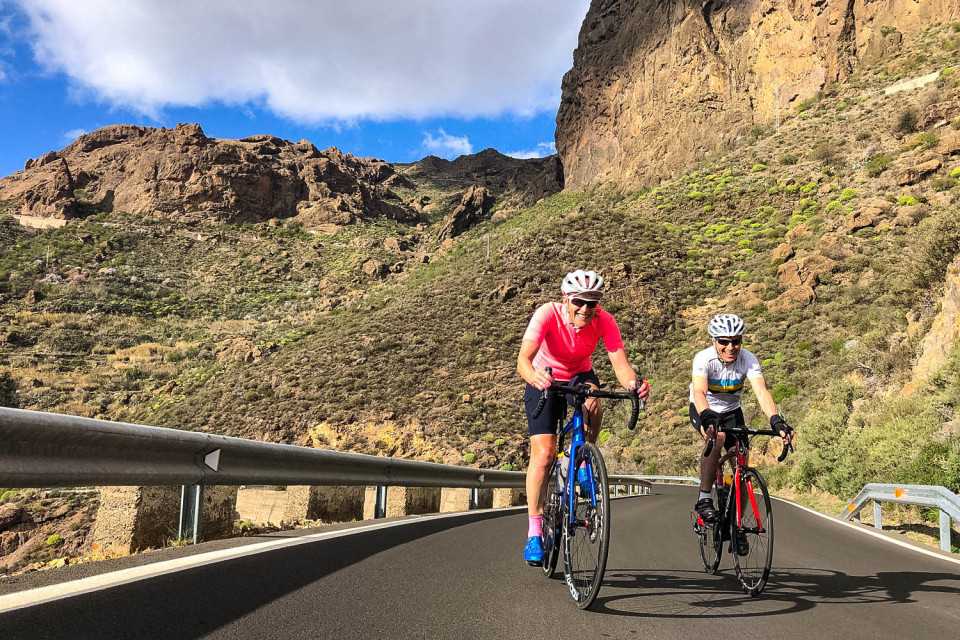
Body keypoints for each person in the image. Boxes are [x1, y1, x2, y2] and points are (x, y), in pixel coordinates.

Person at [517, 269, 649, 564]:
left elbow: (620, 364)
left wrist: (632, 384)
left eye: (593, 303)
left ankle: (580, 460)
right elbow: (523, 359)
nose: (586, 309)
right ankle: (534, 533)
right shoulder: (547, 314)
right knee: (543, 454)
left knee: (593, 403)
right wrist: (535, 377)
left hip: (579, 374)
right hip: (546, 377)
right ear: (566, 299)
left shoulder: (605, 320)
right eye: (579, 301)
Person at [690, 313, 794, 542]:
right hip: (704, 408)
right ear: (714, 341)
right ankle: (705, 498)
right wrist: (707, 415)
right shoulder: (703, 359)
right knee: (715, 438)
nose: (730, 347)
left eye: (735, 341)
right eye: (724, 341)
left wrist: (775, 419)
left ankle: (737, 525)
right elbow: (699, 392)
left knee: (742, 463)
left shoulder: (748, 359)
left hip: (732, 413)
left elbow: (761, 392)